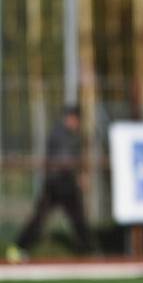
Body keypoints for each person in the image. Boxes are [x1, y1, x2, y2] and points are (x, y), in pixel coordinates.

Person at [6, 106, 93, 262]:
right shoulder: (60, 134)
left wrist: (79, 175)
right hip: (56, 185)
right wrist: (77, 175)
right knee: (39, 220)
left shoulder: (71, 135)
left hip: (66, 185)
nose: (76, 122)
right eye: (75, 119)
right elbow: (65, 160)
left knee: (78, 219)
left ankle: (88, 251)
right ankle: (18, 248)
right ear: (70, 118)